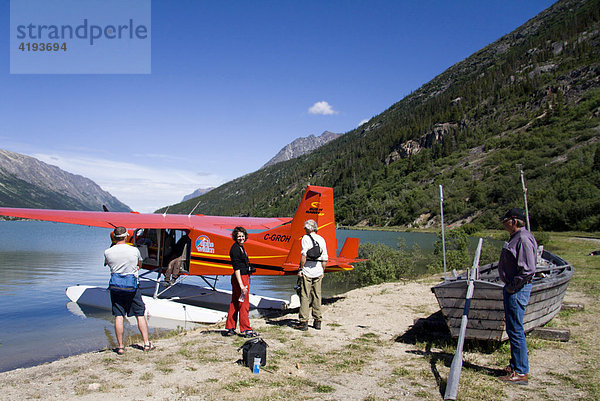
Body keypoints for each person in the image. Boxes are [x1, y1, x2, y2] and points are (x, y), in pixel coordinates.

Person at [498, 208, 537, 385]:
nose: (503, 224)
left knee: (515, 330)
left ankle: (521, 372)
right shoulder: (518, 237)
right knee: (513, 329)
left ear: (514, 221)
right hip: (514, 288)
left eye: (505, 220)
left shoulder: (522, 239)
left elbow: (528, 269)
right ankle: (516, 365)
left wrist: (512, 288)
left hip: (517, 290)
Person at [104, 226, 153, 354]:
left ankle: (120, 347)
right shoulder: (134, 250)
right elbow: (140, 264)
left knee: (119, 316)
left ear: (114, 237)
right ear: (126, 236)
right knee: (140, 314)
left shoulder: (108, 252)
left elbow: (107, 264)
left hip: (116, 287)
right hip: (132, 286)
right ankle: (146, 344)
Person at [295, 219, 328, 331]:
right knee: (317, 295)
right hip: (318, 270)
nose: (304, 230)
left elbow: (304, 256)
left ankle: (303, 321)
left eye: (305, 228)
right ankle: (317, 320)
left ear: (308, 228)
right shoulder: (321, 239)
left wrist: (300, 269)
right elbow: (324, 258)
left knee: (305, 295)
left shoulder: (305, 238)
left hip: (308, 270)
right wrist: (322, 270)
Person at [224, 226, 257, 338]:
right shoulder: (235, 249)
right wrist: (242, 285)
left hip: (242, 276)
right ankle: (246, 329)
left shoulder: (240, 247)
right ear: (235, 237)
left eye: (242, 236)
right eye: (239, 236)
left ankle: (230, 327)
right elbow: (236, 268)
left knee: (235, 302)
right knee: (243, 304)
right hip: (241, 278)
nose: (241, 238)